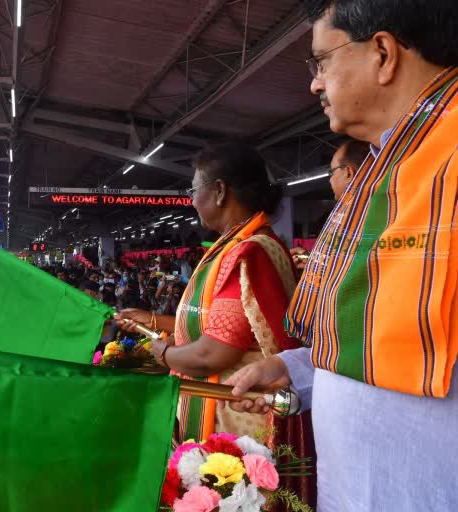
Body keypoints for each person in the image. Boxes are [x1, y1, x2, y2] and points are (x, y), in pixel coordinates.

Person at [226, 1, 458, 510]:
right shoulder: (384, 173)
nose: (314, 84)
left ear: (382, 53)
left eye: (321, 60)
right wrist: (301, 369)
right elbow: (398, 337)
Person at [115, 141, 312, 452]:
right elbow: (215, 323)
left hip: (235, 418)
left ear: (220, 191)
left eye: (194, 191)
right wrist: (151, 320)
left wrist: (162, 353)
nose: (192, 201)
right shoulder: (232, 245)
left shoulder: (247, 251)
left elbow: (213, 353)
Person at [290, 138, 369, 270]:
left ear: (348, 173)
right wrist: (309, 259)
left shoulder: (358, 215)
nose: (330, 180)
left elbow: (353, 269)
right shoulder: (353, 210)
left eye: (332, 172)